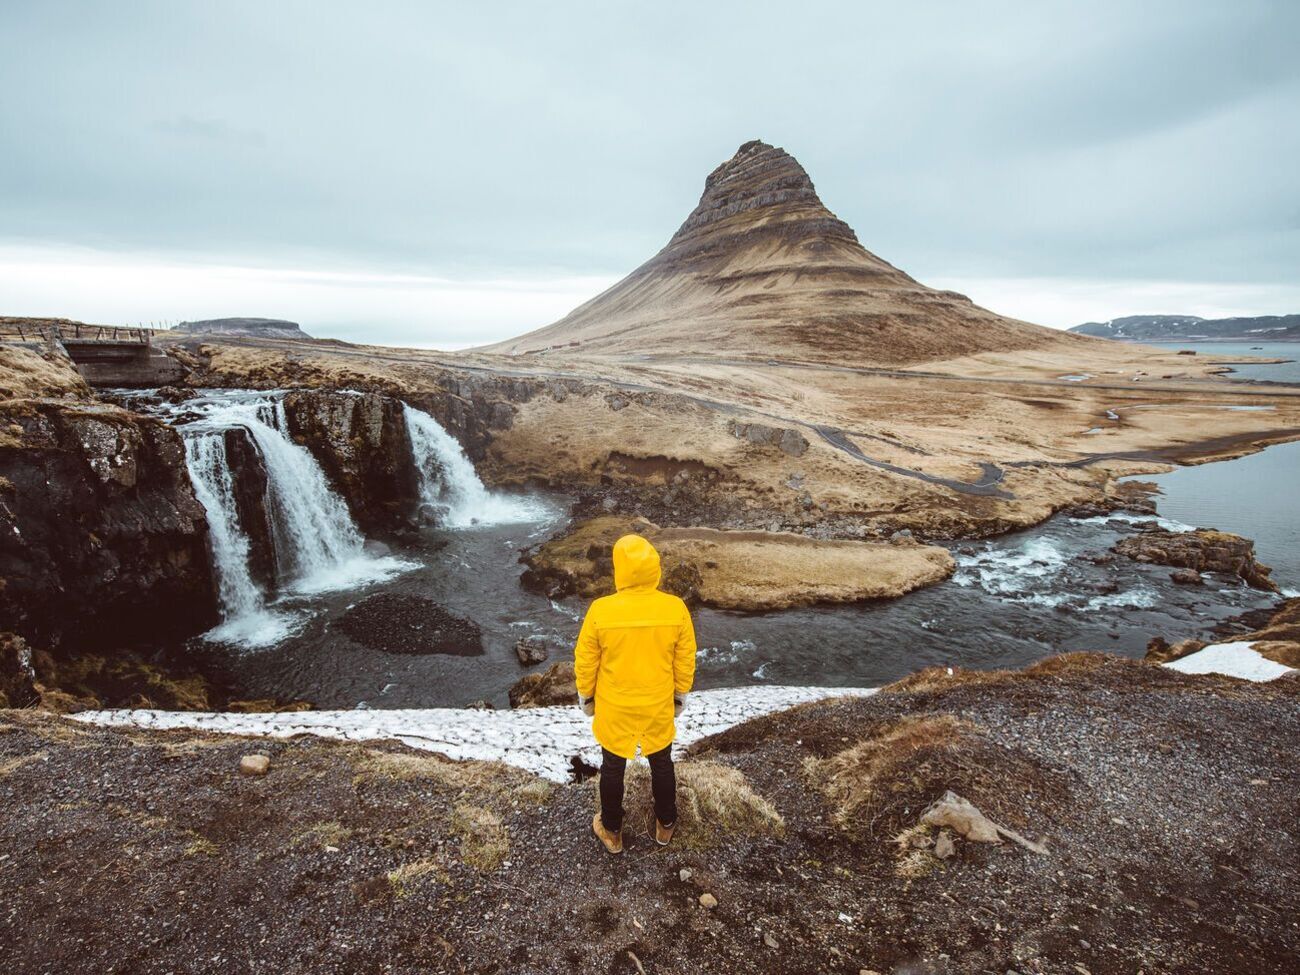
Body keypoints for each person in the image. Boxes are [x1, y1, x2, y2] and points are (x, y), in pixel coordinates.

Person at [574, 533, 696, 854]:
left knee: (613, 766)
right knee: (662, 761)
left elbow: (586, 661)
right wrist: (680, 695)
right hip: (657, 703)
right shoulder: (675, 608)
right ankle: (666, 824)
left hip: (616, 706)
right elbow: (685, 659)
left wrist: (587, 698)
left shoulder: (601, 610)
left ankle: (612, 831)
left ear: (619, 570)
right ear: (654, 568)